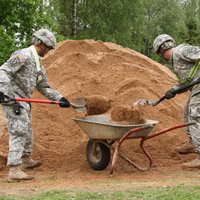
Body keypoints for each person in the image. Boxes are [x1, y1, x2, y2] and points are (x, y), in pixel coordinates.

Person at [0, 28, 70, 182]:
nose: (49, 50)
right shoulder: (23, 55)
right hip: (12, 100)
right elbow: (3, 70)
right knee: (19, 131)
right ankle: (14, 170)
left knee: (27, 130)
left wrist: (60, 98)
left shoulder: (38, 64)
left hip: (24, 101)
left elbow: (43, 86)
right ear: (39, 42)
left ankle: (25, 160)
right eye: (48, 47)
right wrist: (3, 91)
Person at [153, 34, 200, 168]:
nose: (162, 56)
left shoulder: (181, 51)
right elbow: (187, 81)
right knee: (187, 111)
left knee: (194, 114)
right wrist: (174, 90)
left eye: (160, 53)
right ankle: (193, 142)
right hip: (196, 86)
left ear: (161, 49)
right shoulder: (176, 61)